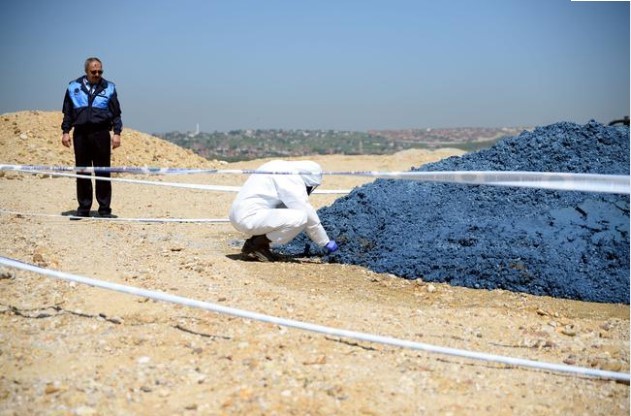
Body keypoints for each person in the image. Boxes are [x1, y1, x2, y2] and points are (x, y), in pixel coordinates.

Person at [229, 160, 339, 262]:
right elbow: (307, 212)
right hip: (248, 217)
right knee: (300, 218)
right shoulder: (290, 177)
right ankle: (257, 245)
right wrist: (325, 242)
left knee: (288, 210)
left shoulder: (279, 166)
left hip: (241, 213)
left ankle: (256, 244)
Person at [61, 57, 122, 218]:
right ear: (86, 71)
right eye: (93, 71)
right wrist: (66, 131)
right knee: (82, 172)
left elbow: (116, 114)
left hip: (101, 133)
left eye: (100, 71)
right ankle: (83, 208)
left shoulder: (109, 87)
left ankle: (104, 209)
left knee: (103, 172)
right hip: (81, 134)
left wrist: (117, 133)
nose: (97, 74)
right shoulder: (73, 87)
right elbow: (68, 113)